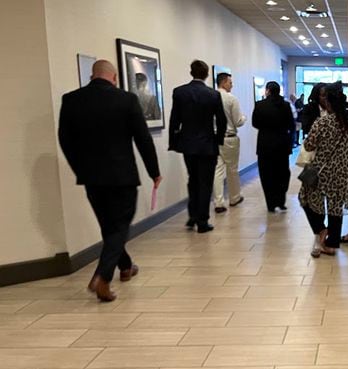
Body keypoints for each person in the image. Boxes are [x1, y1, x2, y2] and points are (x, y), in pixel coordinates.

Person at [58, 60, 162, 302]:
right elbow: (143, 139)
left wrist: (80, 169)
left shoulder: (72, 99)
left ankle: (125, 267)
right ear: (114, 77)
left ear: (92, 75)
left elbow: (65, 139)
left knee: (109, 226)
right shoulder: (126, 100)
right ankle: (102, 276)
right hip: (122, 176)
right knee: (120, 226)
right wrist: (153, 171)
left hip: (91, 177)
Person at [299, 82, 348, 257]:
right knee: (335, 208)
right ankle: (331, 244)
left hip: (322, 172)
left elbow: (309, 144)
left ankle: (320, 230)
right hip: (345, 173)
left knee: (304, 198)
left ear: (329, 103)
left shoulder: (323, 122)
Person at [168, 60, 227, 233]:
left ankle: (192, 215)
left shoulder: (180, 92)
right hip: (207, 144)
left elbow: (174, 120)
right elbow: (221, 120)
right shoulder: (212, 95)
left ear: (191, 72)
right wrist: (218, 140)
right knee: (205, 182)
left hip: (188, 144)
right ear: (207, 74)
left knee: (192, 179)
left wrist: (174, 141)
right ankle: (202, 220)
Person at [253, 82, 295, 213]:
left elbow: (255, 123)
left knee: (266, 174)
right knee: (282, 173)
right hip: (282, 144)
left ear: (268, 91)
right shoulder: (286, 105)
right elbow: (291, 125)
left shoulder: (260, 105)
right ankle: (281, 201)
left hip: (265, 144)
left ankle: (270, 203)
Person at [212, 72, 246, 214]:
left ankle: (218, 202)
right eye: (230, 82)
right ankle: (234, 197)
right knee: (232, 169)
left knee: (217, 170)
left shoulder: (210, 97)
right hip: (230, 137)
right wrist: (244, 118)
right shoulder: (231, 99)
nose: (232, 85)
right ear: (224, 82)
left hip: (214, 137)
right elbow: (238, 121)